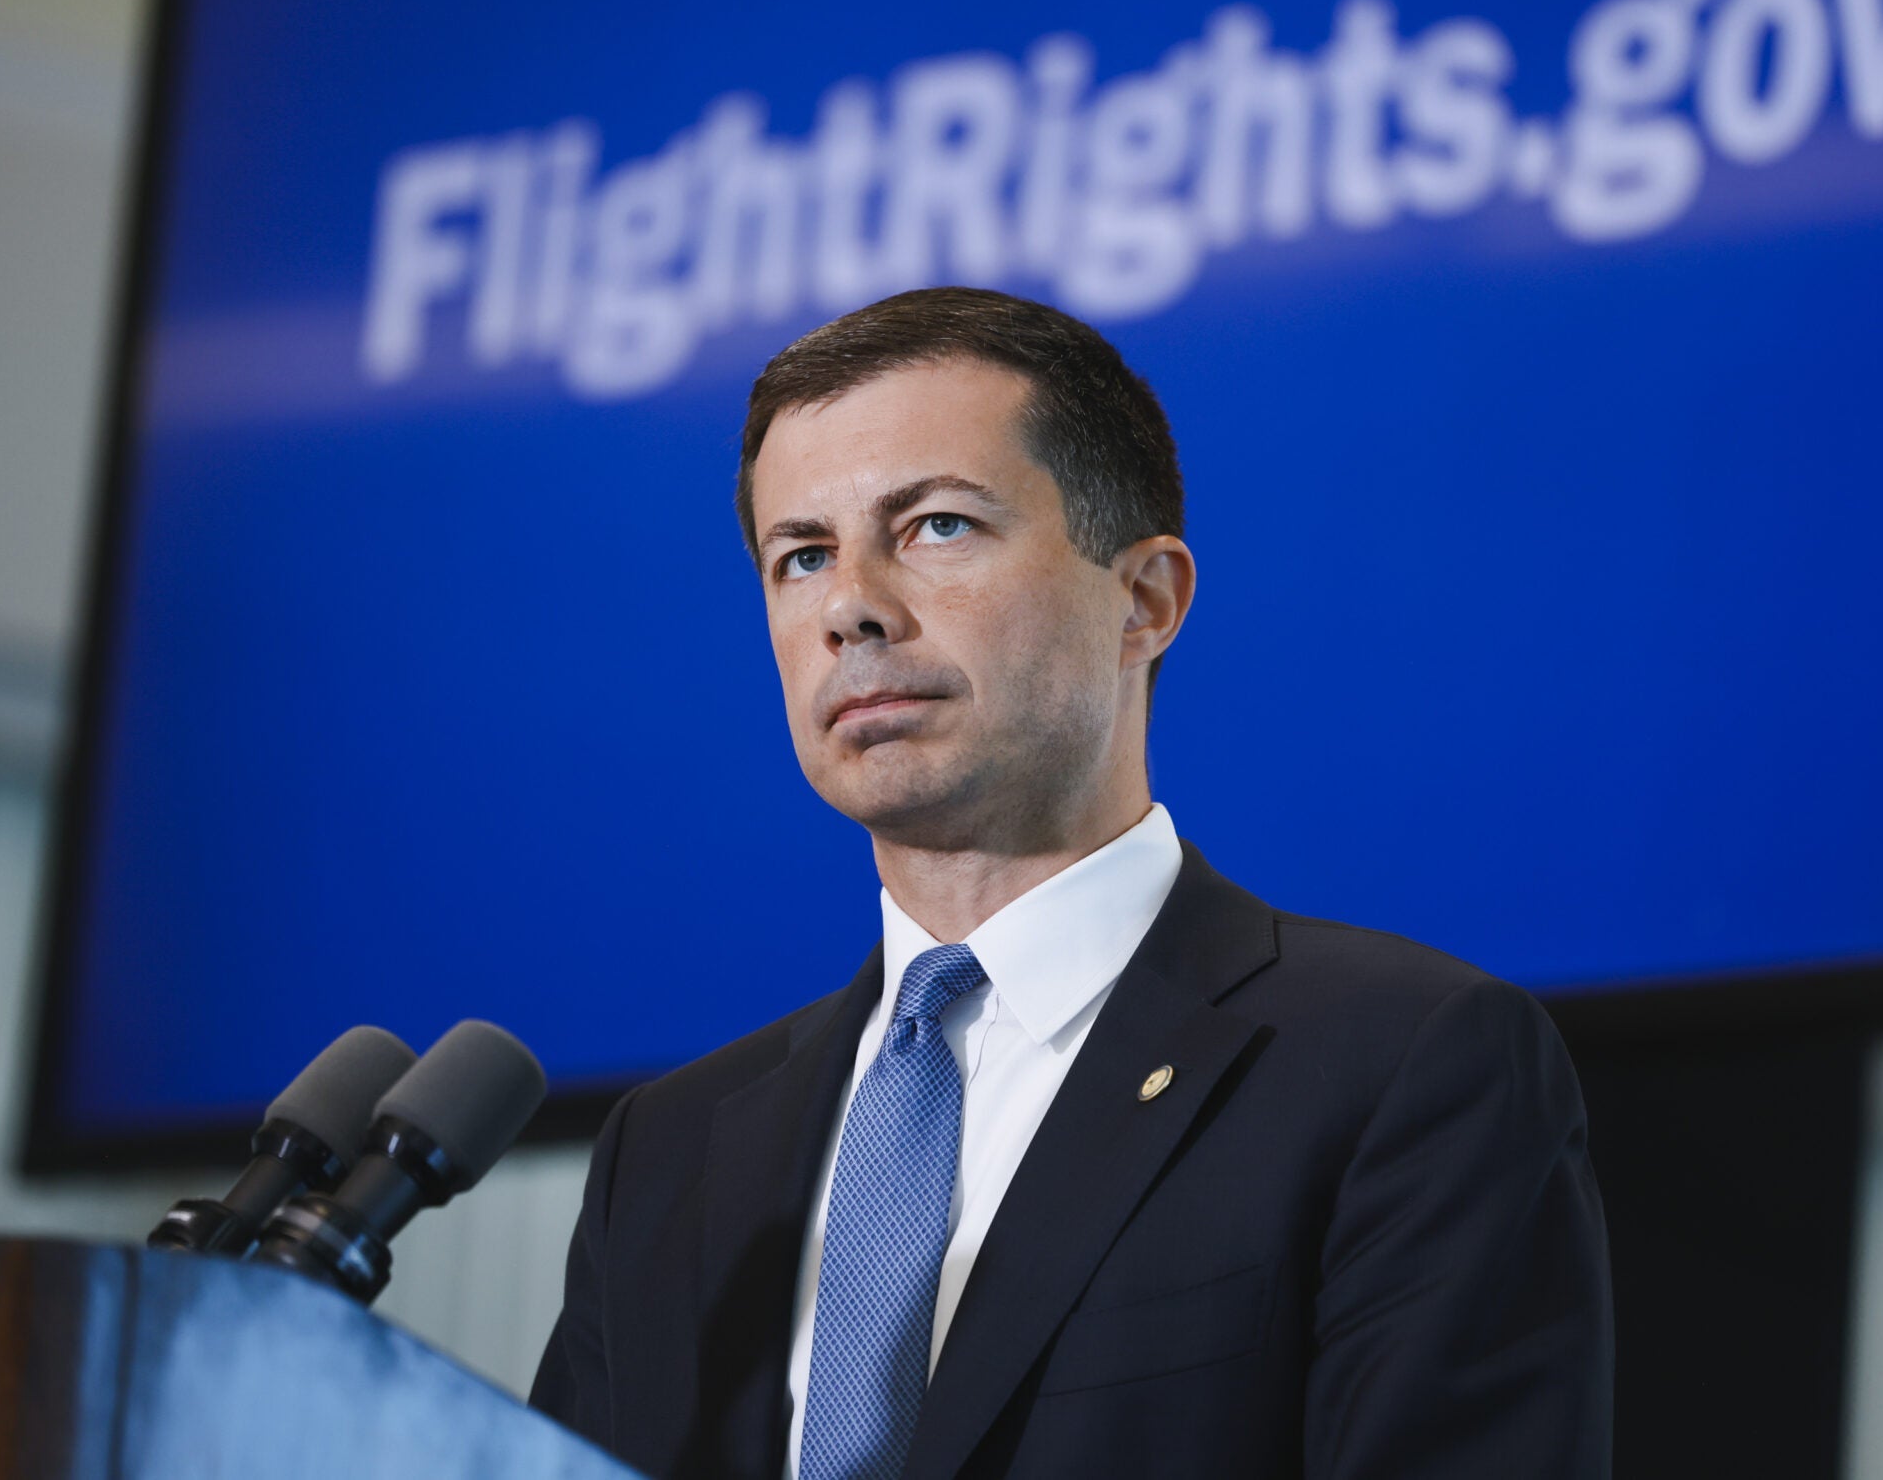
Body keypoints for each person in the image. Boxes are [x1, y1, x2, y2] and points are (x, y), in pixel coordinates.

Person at [531, 286, 1612, 1479]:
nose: (850, 608)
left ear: (1143, 600)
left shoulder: (1401, 1063)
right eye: (801, 556)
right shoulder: (671, 1151)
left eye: (936, 526)